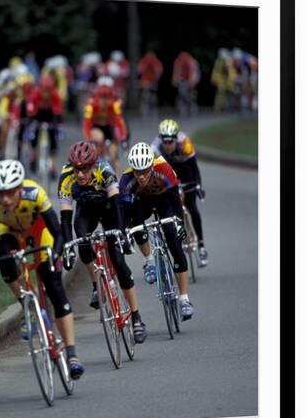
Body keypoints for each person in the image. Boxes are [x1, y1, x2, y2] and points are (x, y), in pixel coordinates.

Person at [0, 159, 84, 379]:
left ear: (20, 188)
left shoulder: (35, 193)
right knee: (1, 250)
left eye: (10, 192)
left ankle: (72, 354)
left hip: (39, 233)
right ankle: (27, 304)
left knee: (55, 290)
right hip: (11, 235)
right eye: (1, 193)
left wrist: (56, 252)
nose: (5, 199)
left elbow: (58, 232)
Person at [58, 141, 147, 343]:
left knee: (118, 261)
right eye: (76, 168)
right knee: (81, 244)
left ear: (93, 164)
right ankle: (96, 285)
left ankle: (136, 317)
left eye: (85, 169)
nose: (80, 174)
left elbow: (117, 205)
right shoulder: (66, 176)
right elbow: (65, 217)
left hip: (109, 210)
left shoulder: (105, 170)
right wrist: (67, 248)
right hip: (86, 211)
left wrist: (121, 234)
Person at [119, 142, 194, 320]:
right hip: (142, 202)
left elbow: (176, 202)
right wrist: (126, 232)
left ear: (152, 165)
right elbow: (125, 212)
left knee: (173, 239)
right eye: (137, 172)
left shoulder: (164, 169)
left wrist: (179, 224)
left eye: (145, 171)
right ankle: (149, 261)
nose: (141, 176)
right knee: (136, 223)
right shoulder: (126, 179)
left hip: (165, 200)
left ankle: (184, 299)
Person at [151, 119, 208, 266]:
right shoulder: (155, 147)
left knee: (192, 207)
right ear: (160, 139)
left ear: (176, 138)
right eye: (165, 141)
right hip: (169, 172)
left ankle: (201, 246)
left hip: (185, 170)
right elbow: (154, 172)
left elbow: (194, 167)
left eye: (171, 141)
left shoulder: (185, 143)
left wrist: (198, 186)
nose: (168, 144)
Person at [82, 82, 128, 174]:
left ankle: (116, 178)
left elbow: (120, 122)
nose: (104, 101)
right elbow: (86, 124)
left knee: (113, 155)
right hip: (96, 127)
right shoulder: (91, 105)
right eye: (102, 98)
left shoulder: (114, 105)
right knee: (99, 137)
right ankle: (96, 162)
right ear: (98, 97)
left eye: (107, 98)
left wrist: (123, 136)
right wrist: (89, 138)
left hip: (109, 128)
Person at [26, 74, 63, 179]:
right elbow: (31, 108)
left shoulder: (55, 94)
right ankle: (33, 157)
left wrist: (58, 124)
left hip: (51, 116)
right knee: (34, 134)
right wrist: (31, 121)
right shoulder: (35, 93)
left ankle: (53, 167)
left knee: (54, 139)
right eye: (44, 91)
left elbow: (58, 110)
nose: (46, 94)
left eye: (48, 91)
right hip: (38, 115)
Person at [171, 51, 200, 116]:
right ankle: (183, 108)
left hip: (191, 78)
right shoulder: (178, 61)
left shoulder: (191, 61)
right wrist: (175, 80)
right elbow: (176, 72)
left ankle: (192, 107)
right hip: (183, 79)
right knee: (182, 94)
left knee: (191, 94)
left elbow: (194, 72)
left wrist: (193, 82)